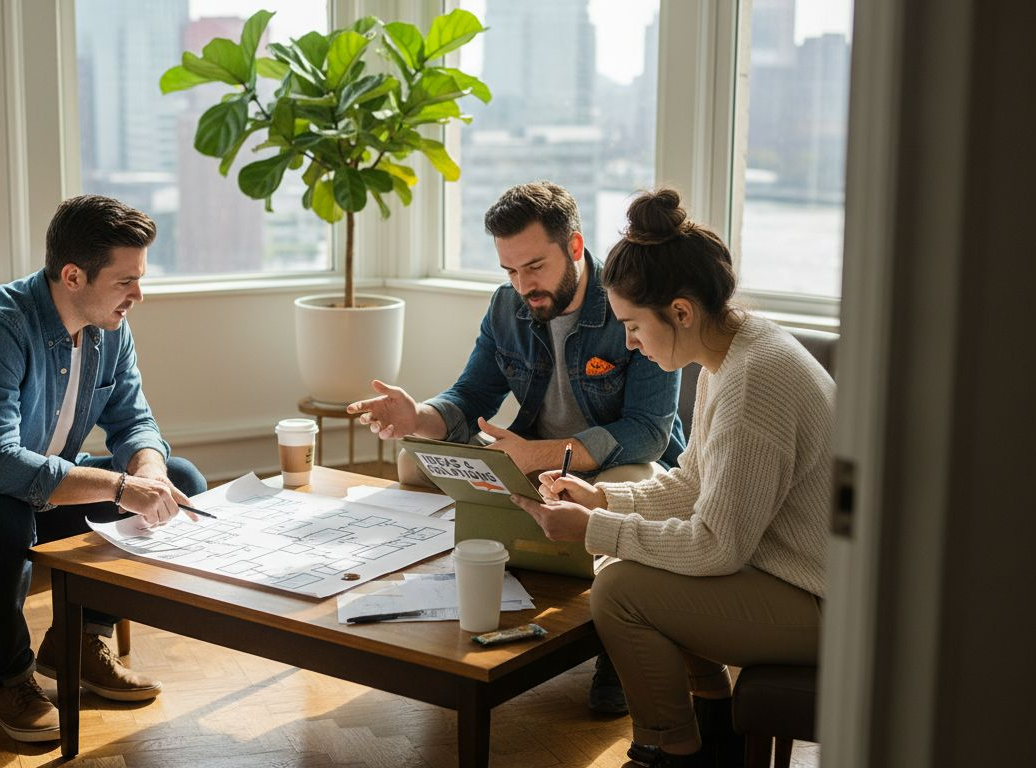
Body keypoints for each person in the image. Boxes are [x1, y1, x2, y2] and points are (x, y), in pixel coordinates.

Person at [510, 188, 832, 767]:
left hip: (830, 603)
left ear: (680, 312)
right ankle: (710, 727)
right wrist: (604, 495)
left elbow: (715, 546)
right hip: (798, 577)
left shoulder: (752, 385)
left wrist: (594, 527)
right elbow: (691, 484)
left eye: (633, 325)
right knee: (622, 566)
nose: (629, 341)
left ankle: (672, 749)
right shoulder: (732, 352)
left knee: (619, 589)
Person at [348, 180, 688, 714]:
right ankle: (488, 566)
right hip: (533, 458)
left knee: (634, 482)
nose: (522, 284)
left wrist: (539, 456)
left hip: (617, 465)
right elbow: (470, 394)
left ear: (574, 247)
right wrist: (420, 416)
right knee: (412, 459)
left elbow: (649, 431)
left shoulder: (628, 300)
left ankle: (616, 647)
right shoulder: (508, 306)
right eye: (509, 270)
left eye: (534, 267)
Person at [0, 195, 207, 743]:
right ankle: (8, 680)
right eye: (125, 280)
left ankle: (79, 639)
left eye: (139, 278)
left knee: (184, 479)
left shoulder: (110, 326)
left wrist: (149, 474)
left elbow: (135, 423)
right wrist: (123, 487)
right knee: (2, 517)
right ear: (74, 275)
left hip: (39, 489)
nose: (138, 295)